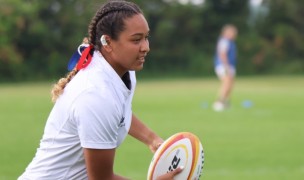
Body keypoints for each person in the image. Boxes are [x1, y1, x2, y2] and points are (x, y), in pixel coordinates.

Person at [18, 1, 182, 179]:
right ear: (107, 42)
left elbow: (119, 112)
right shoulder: (95, 95)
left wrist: (152, 139)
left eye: (146, 37)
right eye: (136, 40)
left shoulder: (122, 71)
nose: (146, 47)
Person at [213, 24, 238, 111]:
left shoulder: (231, 42)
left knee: (230, 84)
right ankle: (219, 102)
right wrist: (226, 66)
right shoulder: (224, 41)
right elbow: (222, 54)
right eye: (233, 32)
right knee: (226, 82)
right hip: (223, 65)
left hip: (230, 65)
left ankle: (225, 102)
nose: (234, 34)